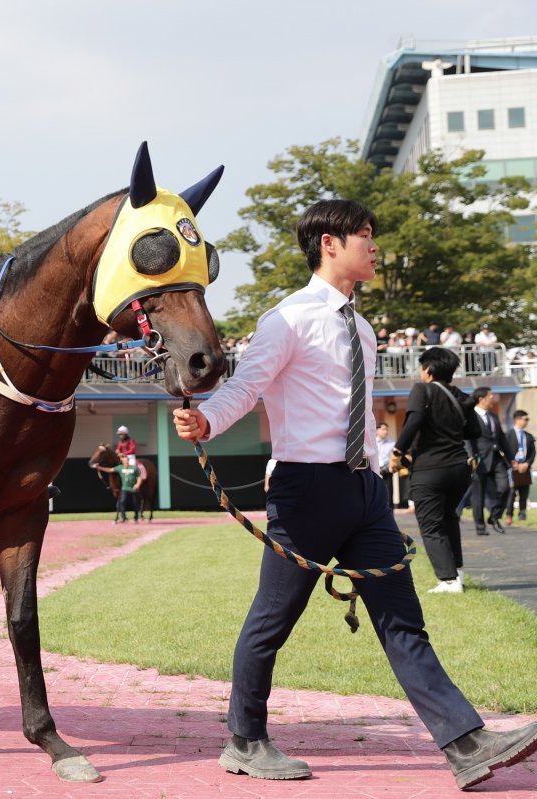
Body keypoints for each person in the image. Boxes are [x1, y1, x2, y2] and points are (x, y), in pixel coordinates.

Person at [172, 198, 537, 790]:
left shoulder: (361, 327)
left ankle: (466, 743)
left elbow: (361, 415)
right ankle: (244, 740)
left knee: (402, 621)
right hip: (306, 489)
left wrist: (375, 471)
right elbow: (247, 385)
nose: (374, 244)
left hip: (365, 494)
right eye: (364, 234)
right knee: (272, 620)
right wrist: (207, 420)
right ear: (329, 244)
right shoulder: (287, 318)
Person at [391, 347, 479, 594]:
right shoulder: (460, 394)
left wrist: (398, 451)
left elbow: (415, 420)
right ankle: (457, 572)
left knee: (431, 525)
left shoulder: (423, 390)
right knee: (450, 517)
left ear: (428, 370)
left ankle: (449, 581)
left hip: (430, 468)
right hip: (459, 468)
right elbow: (474, 432)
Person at [468, 387, 514, 536]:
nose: (492, 399)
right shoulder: (470, 416)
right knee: (478, 495)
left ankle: (494, 516)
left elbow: (502, 439)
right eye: (490, 396)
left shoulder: (494, 417)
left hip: (496, 459)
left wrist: (511, 458)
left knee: (505, 488)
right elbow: (467, 439)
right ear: (481, 398)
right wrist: (471, 457)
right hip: (479, 460)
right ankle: (480, 526)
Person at [93, 455, 142, 523]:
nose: (126, 462)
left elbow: (139, 477)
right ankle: (124, 518)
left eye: (126, 461)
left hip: (133, 488)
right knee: (122, 502)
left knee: (135, 503)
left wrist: (138, 484)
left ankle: (136, 518)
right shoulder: (120, 468)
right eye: (124, 461)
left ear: (128, 461)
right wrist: (100, 468)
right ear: (122, 462)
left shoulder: (134, 468)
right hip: (125, 488)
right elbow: (110, 470)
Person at [506, 410, 534, 525]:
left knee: (524, 490)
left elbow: (533, 453)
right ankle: (509, 514)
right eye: (525, 419)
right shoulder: (508, 435)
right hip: (513, 468)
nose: (526, 421)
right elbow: (505, 451)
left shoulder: (528, 436)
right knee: (512, 492)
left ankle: (522, 512)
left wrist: (527, 464)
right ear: (517, 419)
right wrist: (513, 463)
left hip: (525, 467)